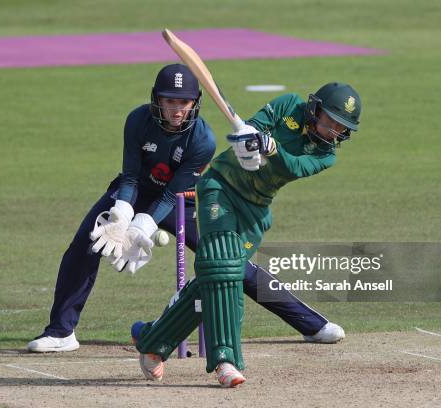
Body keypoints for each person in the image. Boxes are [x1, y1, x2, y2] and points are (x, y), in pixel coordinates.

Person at [27, 64, 344, 354]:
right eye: (169, 101)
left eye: (183, 102)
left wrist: (143, 226)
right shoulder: (138, 120)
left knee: (230, 264)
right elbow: (130, 174)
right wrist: (123, 213)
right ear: (157, 99)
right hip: (134, 192)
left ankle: (311, 325)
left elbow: (172, 194)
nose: (176, 109)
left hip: (183, 200)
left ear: (195, 102)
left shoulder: (202, 139)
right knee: (85, 244)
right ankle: (60, 332)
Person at [131, 82, 362, 387]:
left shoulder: (325, 155)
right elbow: (253, 127)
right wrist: (248, 141)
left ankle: (153, 341)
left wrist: (271, 148)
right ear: (314, 108)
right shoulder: (288, 105)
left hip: (255, 210)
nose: (332, 130)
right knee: (222, 268)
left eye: (339, 127)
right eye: (329, 120)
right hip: (220, 188)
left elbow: (292, 166)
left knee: (223, 274)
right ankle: (226, 361)